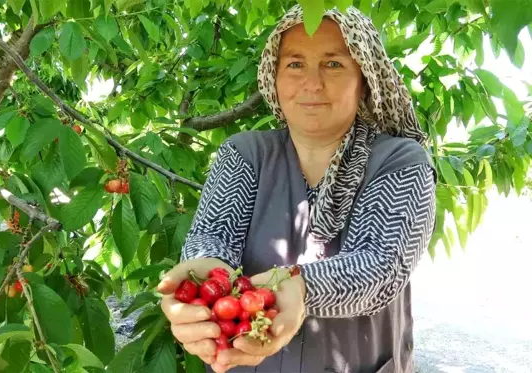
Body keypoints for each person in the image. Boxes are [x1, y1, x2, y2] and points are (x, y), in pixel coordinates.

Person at [157, 4, 437, 373]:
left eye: (334, 64)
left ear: (365, 78)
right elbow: (213, 237)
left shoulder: (400, 160)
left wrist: (298, 286)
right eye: (295, 64)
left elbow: (380, 265)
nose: (312, 83)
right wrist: (205, 276)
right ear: (274, 77)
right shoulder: (245, 154)